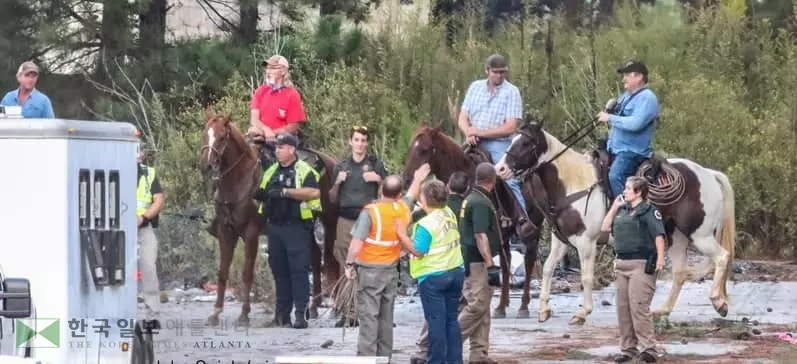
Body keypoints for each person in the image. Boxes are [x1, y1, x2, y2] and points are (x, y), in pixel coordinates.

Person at [411, 167, 499, 364]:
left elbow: (416, 240)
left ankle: (477, 353)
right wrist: (491, 264)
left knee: (444, 315)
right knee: (470, 309)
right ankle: (439, 350)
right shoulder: (461, 208)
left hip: (445, 270)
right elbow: (479, 235)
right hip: (461, 267)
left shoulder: (446, 210)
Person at [343, 166, 428, 361]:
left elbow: (356, 243)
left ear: (381, 190)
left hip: (369, 271)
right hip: (390, 271)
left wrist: (349, 265)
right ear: (399, 194)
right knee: (385, 318)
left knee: (368, 318)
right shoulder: (402, 209)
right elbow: (412, 194)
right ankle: (384, 358)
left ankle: (366, 359)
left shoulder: (370, 212)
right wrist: (417, 178)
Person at [254, 133, 321, 329]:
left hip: (297, 227)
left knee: (298, 271)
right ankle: (282, 314)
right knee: (279, 271)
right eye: (276, 148)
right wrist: (260, 196)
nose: (277, 151)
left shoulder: (304, 170)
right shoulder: (271, 171)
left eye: (281, 147)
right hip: (275, 226)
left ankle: (301, 313)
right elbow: (262, 193)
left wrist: (286, 192)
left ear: (292, 149)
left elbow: (313, 192)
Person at [600, 176, 666, 363]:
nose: (625, 191)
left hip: (641, 264)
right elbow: (605, 227)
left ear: (639, 192)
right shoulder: (622, 210)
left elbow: (659, 236)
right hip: (621, 264)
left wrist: (660, 259)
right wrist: (614, 207)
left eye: (629, 189)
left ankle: (649, 349)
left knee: (638, 307)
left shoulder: (649, 211)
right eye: (626, 188)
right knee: (623, 309)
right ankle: (628, 349)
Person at [329, 125, 389, 327]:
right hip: (346, 219)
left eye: (363, 140)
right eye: (356, 140)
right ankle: (349, 312)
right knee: (346, 263)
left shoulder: (375, 165)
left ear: (367, 143)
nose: (360, 144)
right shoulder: (341, 166)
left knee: (371, 264)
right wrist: (337, 182)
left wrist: (378, 179)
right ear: (350, 142)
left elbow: (390, 194)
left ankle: (374, 311)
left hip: (369, 218)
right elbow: (331, 198)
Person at [458, 54, 528, 222]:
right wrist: (468, 132)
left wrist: (479, 133)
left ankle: (522, 221)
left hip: (499, 143)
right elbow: (462, 115)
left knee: (507, 178)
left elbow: (511, 127)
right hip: (471, 140)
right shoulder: (475, 87)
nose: (498, 75)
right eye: (495, 72)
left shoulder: (511, 92)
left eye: (502, 72)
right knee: (451, 167)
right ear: (487, 71)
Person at [410, 179, 466, 364]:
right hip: (455, 272)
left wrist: (402, 235)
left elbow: (418, 251)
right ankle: (454, 361)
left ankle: (435, 361)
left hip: (433, 277)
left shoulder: (425, 225)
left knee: (436, 324)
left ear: (424, 199)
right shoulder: (448, 213)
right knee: (452, 320)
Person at [596, 60, 660, 200]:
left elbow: (636, 123)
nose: (623, 79)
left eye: (627, 75)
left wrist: (610, 118)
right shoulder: (626, 96)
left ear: (639, 77)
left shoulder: (648, 98)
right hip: (615, 149)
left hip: (632, 152)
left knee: (615, 176)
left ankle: (626, 213)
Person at [248, 55, 307, 167]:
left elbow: (292, 127)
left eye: (273, 68)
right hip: (260, 137)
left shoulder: (292, 94)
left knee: (278, 159)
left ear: (283, 71)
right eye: (268, 68)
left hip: (284, 140)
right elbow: (254, 119)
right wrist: (265, 130)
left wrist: (272, 133)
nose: (268, 71)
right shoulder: (261, 91)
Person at [136, 141, 165, 320]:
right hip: (118, 228)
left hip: (143, 227)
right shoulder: (116, 169)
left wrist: (144, 217)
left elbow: (159, 200)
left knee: (148, 266)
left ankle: (152, 312)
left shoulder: (149, 173)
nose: (138, 154)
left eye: (140, 150)